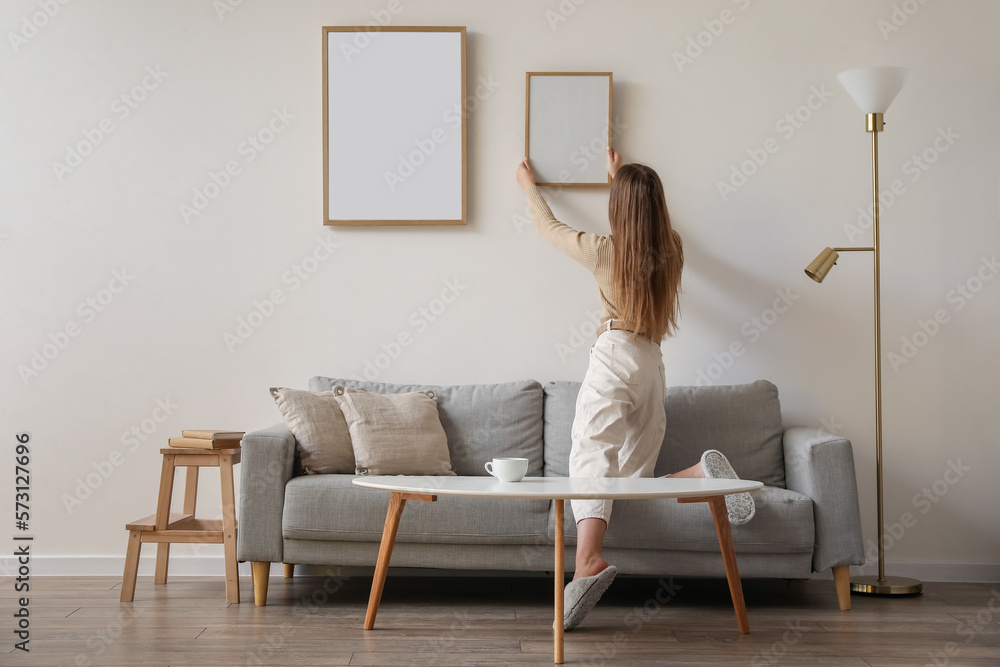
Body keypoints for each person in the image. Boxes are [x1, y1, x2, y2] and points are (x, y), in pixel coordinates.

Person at [515, 149, 755, 630]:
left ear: (618, 208)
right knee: (628, 482)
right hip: (652, 364)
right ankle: (697, 476)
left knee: (590, 455)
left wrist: (527, 186)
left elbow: (551, 229)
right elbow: (644, 223)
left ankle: (587, 562)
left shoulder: (605, 252)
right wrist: (622, 178)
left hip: (615, 354)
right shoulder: (675, 249)